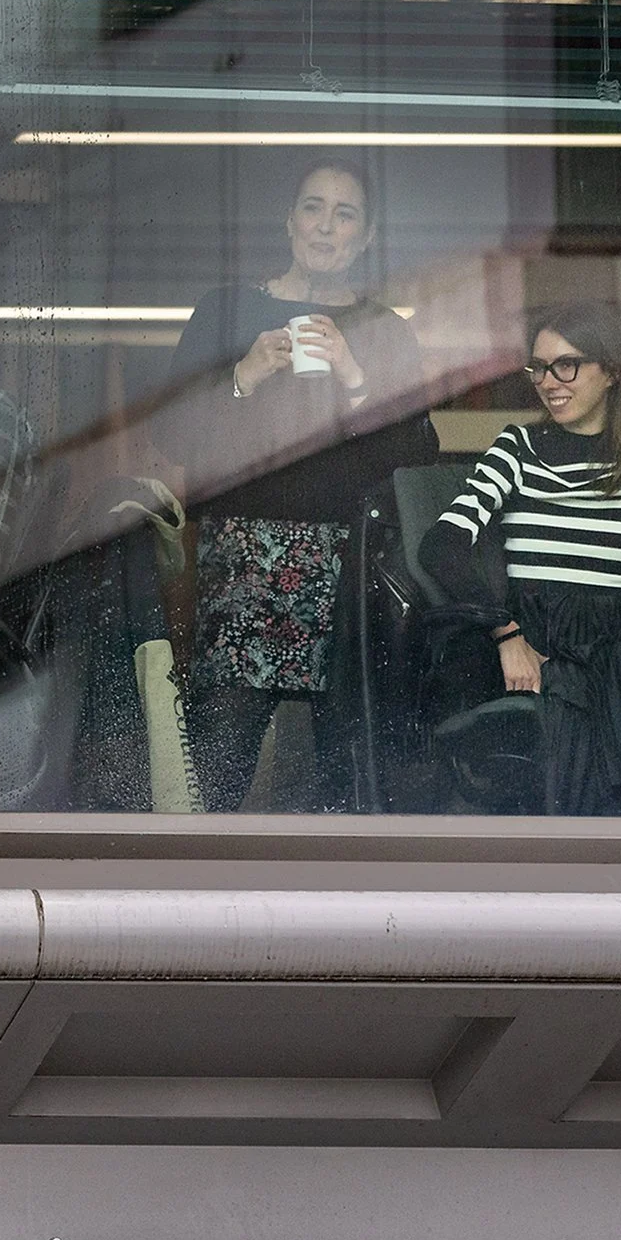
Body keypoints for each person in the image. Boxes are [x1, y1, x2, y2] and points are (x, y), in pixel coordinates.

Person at [165, 158, 436, 810]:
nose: (325, 226)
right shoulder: (227, 310)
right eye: (313, 208)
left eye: (344, 215)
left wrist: (355, 376)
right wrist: (243, 375)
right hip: (243, 566)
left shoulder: (382, 329)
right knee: (219, 759)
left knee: (341, 771)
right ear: (289, 223)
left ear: (364, 238)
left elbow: (418, 458)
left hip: (350, 571)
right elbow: (174, 437)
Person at [417, 301, 621, 816]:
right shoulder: (518, 445)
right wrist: (507, 633)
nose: (548, 381)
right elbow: (441, 547)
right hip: (536, 637)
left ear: (609, 370)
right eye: (538, 367)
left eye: (566, 364)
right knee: (574, 725)